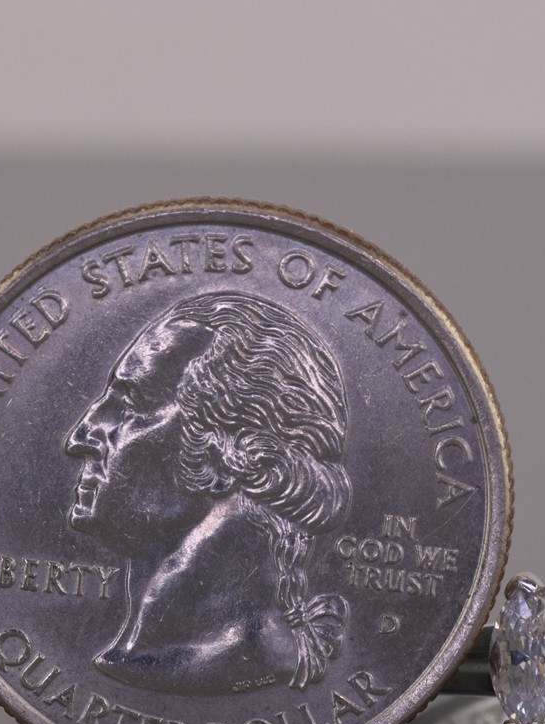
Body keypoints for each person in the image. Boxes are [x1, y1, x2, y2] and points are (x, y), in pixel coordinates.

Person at [64, 290, 351, 695]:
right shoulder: (143, 656)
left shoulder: (234, 657)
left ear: (230, 454)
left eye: (132, 404)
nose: (80, 437)